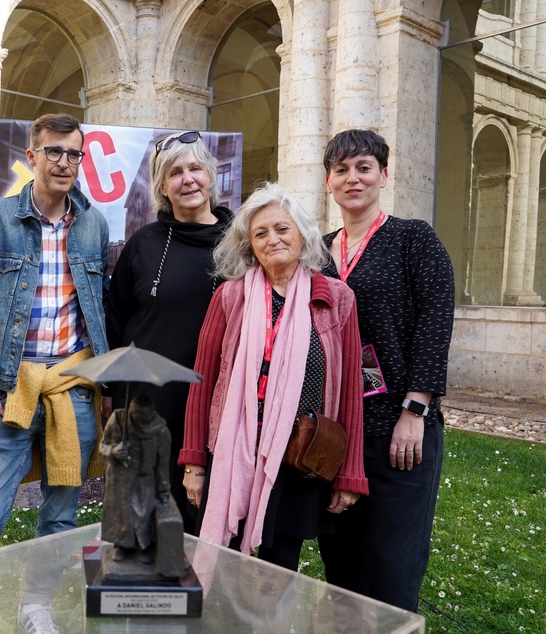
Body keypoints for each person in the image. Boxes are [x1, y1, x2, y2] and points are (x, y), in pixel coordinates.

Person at [0, 113, 109, 633]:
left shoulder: (93, 224)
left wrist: (100, 383)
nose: (65, 163)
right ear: (32, 157)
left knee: (62, 516)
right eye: (55, 152)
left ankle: (34, 608)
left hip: (71, 391)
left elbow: (97, 308)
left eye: (74, 154)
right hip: (7, 391)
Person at [178, 181, 368, 572]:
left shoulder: (335, 298)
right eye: (260, 233)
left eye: (282, 229)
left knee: (278, 576)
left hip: (299, 459)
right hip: (231, 455)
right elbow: (202, 382)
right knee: (224, 569)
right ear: (250, 245)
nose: (272, 239)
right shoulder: (230, 297)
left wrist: (350, 473)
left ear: (303, 235)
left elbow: (350, 389)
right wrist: (194, 464)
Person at [316, 129, 455, 612]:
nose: (353, 178)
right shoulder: (317, 251)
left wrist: (415, 410)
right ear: (328, 182)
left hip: (398, 429)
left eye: (364, 168)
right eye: (342, 170)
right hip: (336, 433)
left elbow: (435, 324)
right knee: (341, 567)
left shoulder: (413, 238)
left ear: (383, 175)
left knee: (391, 569)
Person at [105, 130, 233, 534]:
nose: (188, 179)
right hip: (148, 402)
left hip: (217, 402)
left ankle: (203, 594)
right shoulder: (143, 243)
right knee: (141, 513)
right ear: (162, 186)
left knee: (206, 517)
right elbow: (116, 317)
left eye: (196, 168)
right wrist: (112, 395)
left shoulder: (243, 244)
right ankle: (143, 594)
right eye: (175, 172)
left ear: (210, 176)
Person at [99, 395, 173, 565]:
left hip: (144, 479)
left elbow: (162, 465)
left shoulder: (161, 431)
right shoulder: (118, 419)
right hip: (119, 477)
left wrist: (164, 491)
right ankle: (122, 545)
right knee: (120, 512)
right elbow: (103, 448)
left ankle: (143, 546)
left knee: (142, 513)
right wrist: (115, 451)